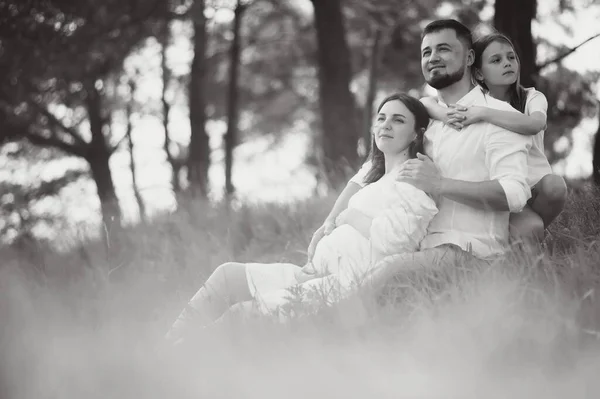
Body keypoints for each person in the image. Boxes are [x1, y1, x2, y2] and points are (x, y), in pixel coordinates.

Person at [165, 93, 439, 344]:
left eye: (398, 120)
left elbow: (399, 244)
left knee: (241, 314)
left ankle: (179, 361)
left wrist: (351, 217)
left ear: (417, 134)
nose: (386, 125)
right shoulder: (375, 177)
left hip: (344, 287)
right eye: (381, 118)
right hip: (314, 274)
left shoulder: (412, 181)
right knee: (228, 275)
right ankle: (164, 349)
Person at [311, 19, 533, 292]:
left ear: (470, 57)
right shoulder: (422, 118)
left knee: (378, 279)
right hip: (411, 251)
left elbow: (514, 194)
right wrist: (329, 221)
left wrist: (440, 185)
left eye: (444, 49)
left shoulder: (500, 119)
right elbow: (369, 171)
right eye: (426, 52)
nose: (433, 58)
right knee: (329, 280)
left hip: (469, 252)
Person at [420, 32, 567, 245]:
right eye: (496, 60)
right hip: (498, 182)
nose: (507, 64)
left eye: (511, 57)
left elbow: (535, 124)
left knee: (554, 187)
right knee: (527, 226)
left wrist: (483, 113)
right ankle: (524, 235)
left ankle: (528, 233)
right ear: (478, 73)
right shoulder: (472, 100)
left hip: (532, 186)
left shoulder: (531, 98)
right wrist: (443, 115)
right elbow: (426, 102)